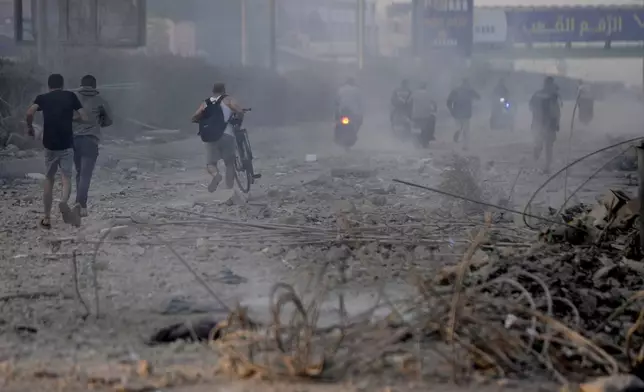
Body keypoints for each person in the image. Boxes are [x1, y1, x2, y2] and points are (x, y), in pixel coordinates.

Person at [26, 74, 88, 229]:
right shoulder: (70, 96)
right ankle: (63, 202)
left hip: (50, 145)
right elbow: (84, 116)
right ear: (62, 84)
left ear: (49, 86)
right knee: (66, 177)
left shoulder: (43, 98)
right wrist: (72, 119)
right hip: (66, 144)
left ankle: (46, 217)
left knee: (49, 178)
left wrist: (30, 128)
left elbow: (29, 113)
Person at [72, 74, 113, 218]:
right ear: (95, 86)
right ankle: (81, 204)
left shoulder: (73, 99)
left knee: (78, 172)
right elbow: (108, 121)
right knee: (85, 175)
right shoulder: (100, 101)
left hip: (74, 140)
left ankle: (78, 202)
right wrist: (99, 121)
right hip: (91, 140)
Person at [191, 82, 243, 192]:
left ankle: (216, 175)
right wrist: (238, 120)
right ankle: (229, 188)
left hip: (210, 136)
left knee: (211, 164)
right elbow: (239, 111)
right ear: (224, 91)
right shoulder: (228, 100)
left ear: (213, 91)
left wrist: (200, 121)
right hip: (227, 134)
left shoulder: (206, 102)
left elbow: (195, 116)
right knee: (229, 163)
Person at [529, 76, 562, 174]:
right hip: (543, 121)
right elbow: (556, 110)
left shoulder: (550, 95)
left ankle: (547, 166)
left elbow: (556, 110)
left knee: (547, 145)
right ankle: (539, 155)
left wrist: (556, 122)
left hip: (545, 122)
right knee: (545, 144)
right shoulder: (551, 95)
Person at [446, 78, 480, 150]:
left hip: (457, 112)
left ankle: (458, 130)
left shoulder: (455, 90)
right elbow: (478, 97)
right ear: (467, 83)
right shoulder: (469, 90)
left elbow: (448, 102)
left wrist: (452, 110)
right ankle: (465, 146)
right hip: (467, 113)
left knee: (458, 126)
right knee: (466, 130)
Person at [411, 82, 437, 148]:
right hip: (426, 115)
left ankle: (416, 142)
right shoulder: (429, 94)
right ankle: (427, 139)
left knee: (415, 128)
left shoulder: (414, 93)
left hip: (415, 115)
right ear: (425, 87)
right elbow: (434, 104)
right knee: (427, 128)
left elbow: (409, 102)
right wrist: (434, 111)